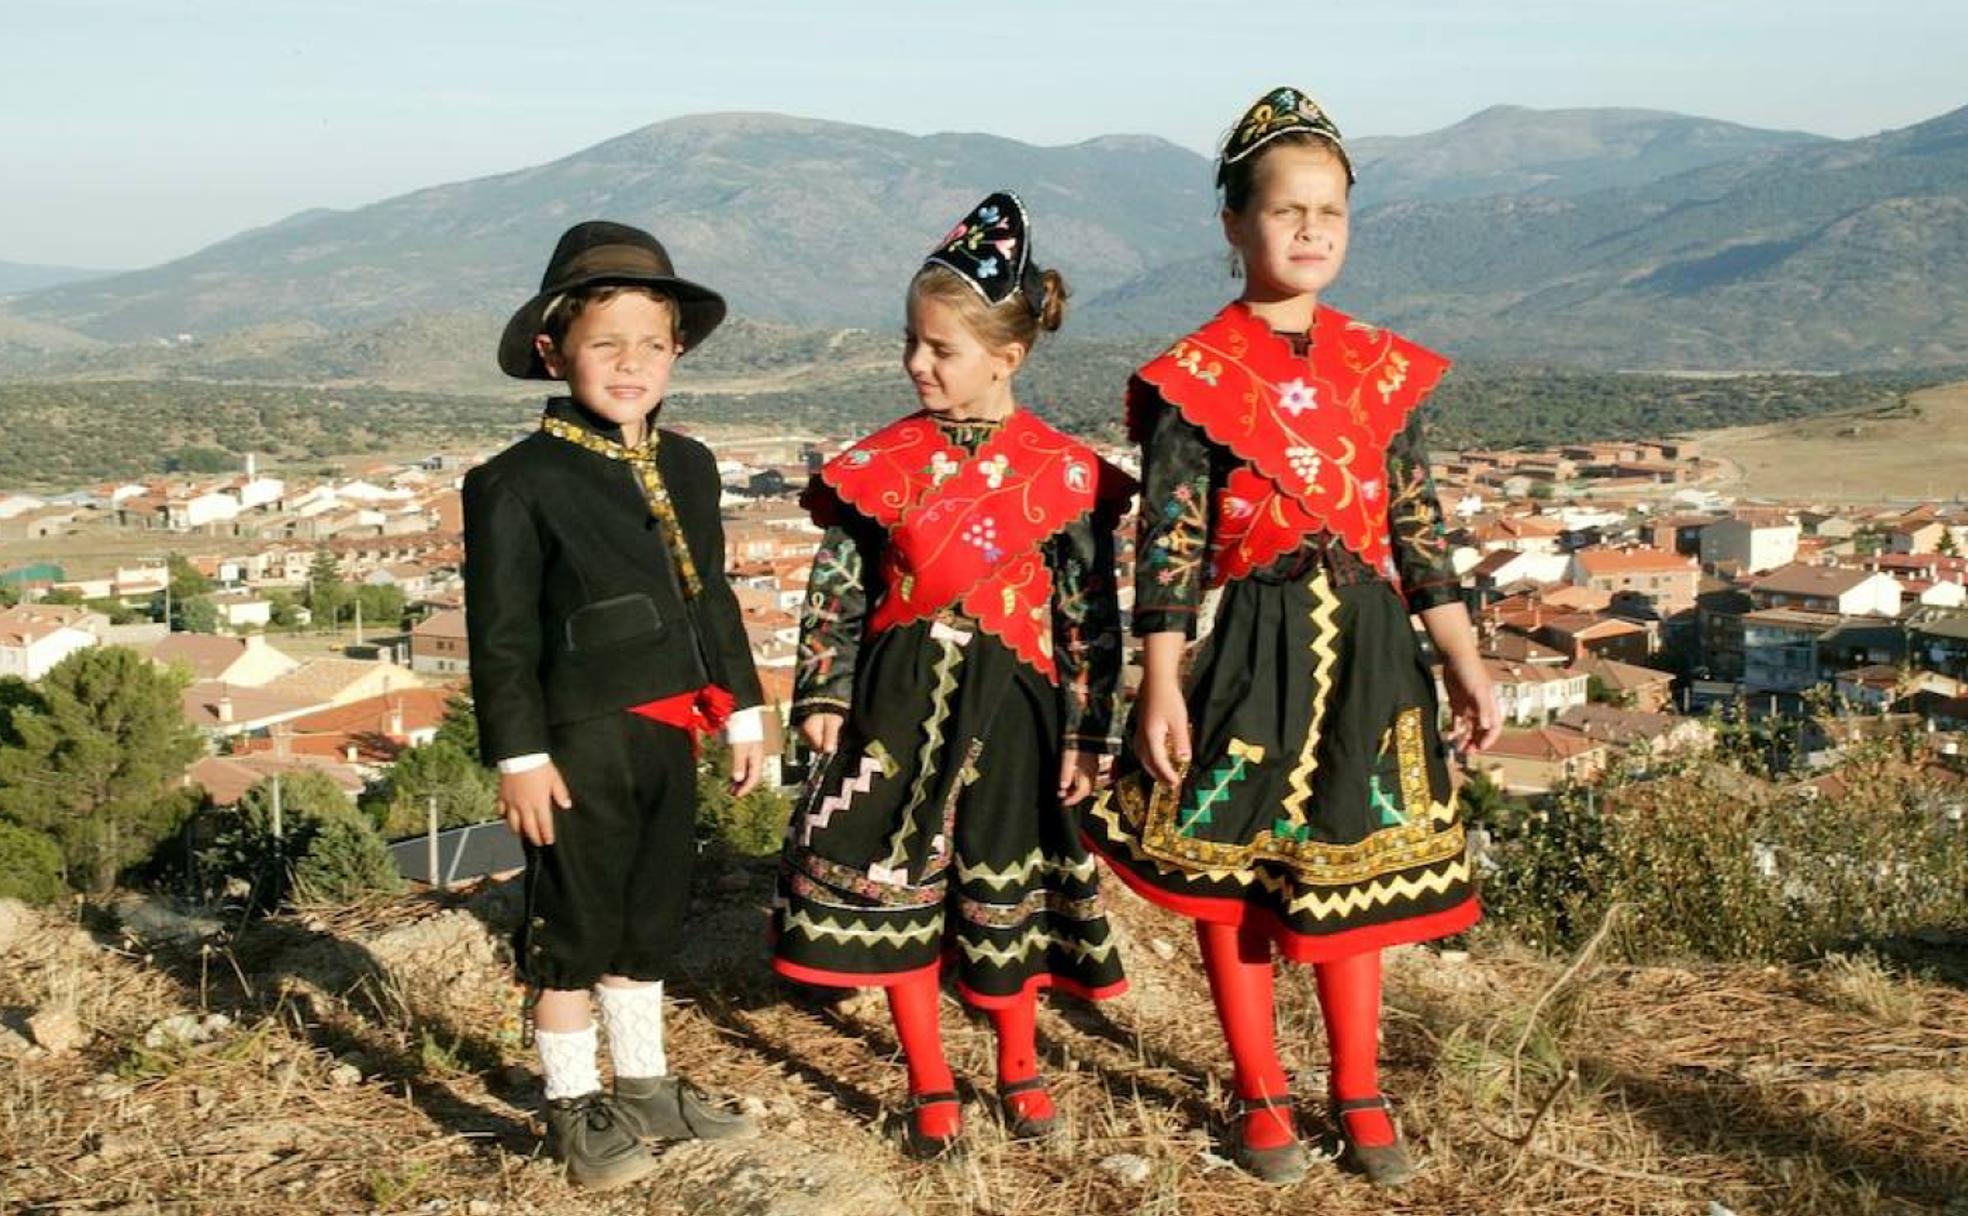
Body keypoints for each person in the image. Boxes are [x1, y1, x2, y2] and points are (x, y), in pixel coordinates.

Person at [1079, 87, 1501, 1188]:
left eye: (1332, 212)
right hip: (1248, 646)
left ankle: (1359, 1088)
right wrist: (1159, 684)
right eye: (1286, 210)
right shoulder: (1192, 381)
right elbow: (1167, 546)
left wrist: (1461, 657)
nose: (1311, 231)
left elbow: (1418, 529)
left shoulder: (1383, 371)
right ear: (1233, 226)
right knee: (1240, 879)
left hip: (1370, 648)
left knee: (1350, 875)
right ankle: (1262, 1092)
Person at [772, 192, 1133, 1158]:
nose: (916, 364)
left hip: (1018, 710)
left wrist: (1091, 732)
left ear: (1006, 359)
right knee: (894, 874)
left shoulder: (1062, 477)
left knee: (1003, 878)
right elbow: (839, 585)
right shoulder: (879, 466)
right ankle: (929, 1073)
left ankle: (1019, 1058)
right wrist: (822, 691)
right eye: (911, 343)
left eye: (941, 349)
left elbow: (1090, 615)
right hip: (895, 705)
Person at [464, 220, 768, 1189]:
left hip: (672, 730)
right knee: (575, 924)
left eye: (651, 342)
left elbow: (710, 593)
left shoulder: (691, 462)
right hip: (580, 738)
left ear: (678, 348)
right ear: (555, 351)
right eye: (606, 343)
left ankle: (641, 1082)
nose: (630, 363)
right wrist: (519, 756)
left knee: (646, 913)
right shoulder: (515, 482)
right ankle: (567, 1105)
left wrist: (747, 710)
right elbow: (501, 635)